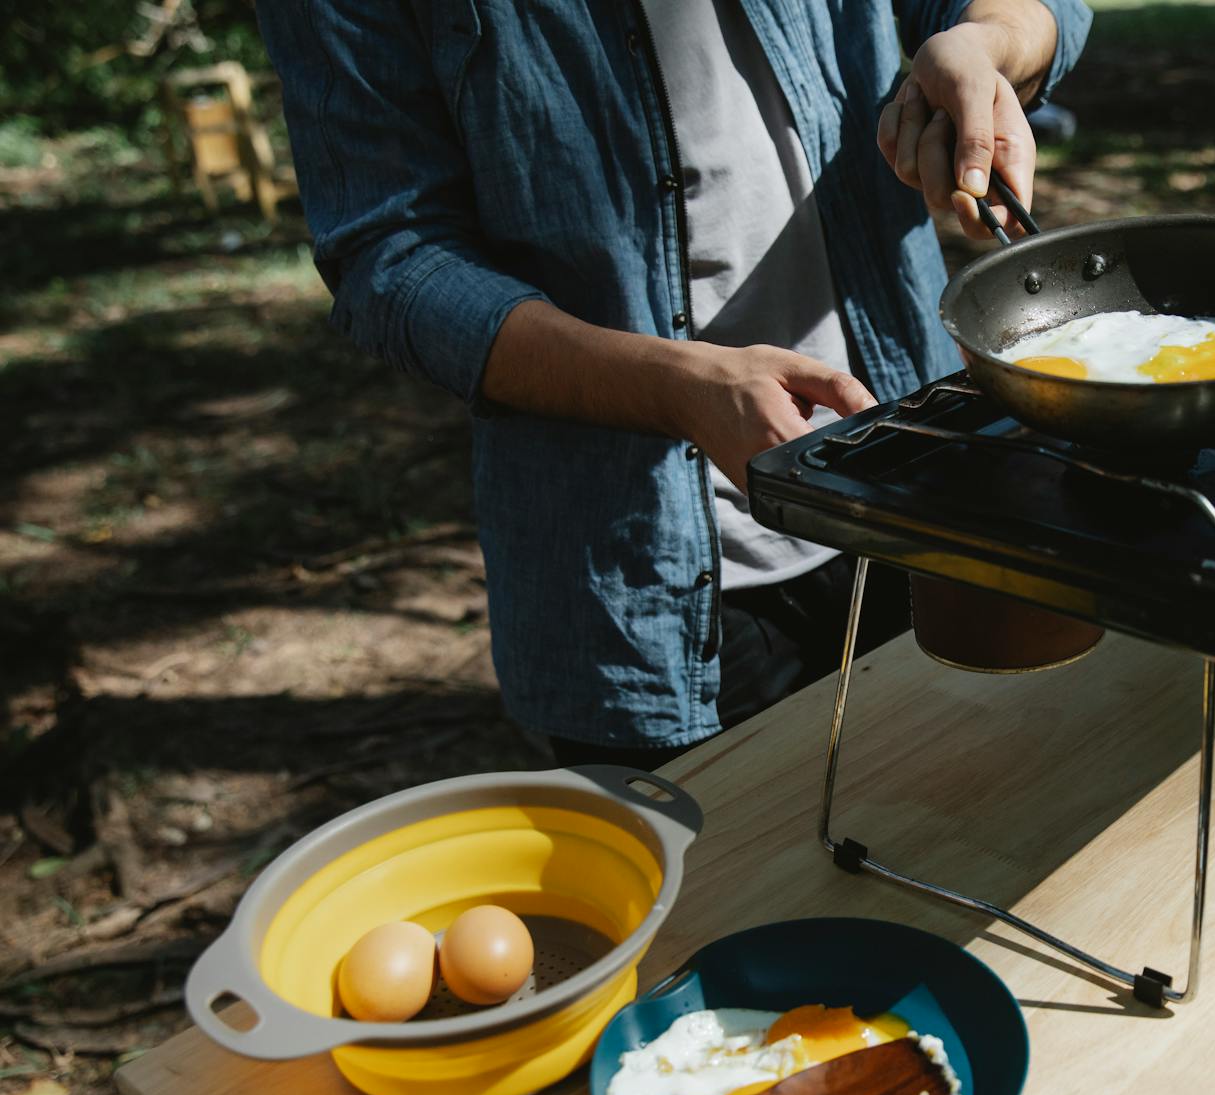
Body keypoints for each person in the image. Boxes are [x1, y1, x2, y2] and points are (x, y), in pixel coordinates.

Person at [256, 1, 1092, 769]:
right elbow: (391, 261)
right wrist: (670, 388)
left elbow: (1035, 9)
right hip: (640, 585)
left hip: (922, 498)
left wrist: (986, 47)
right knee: (726, 918)